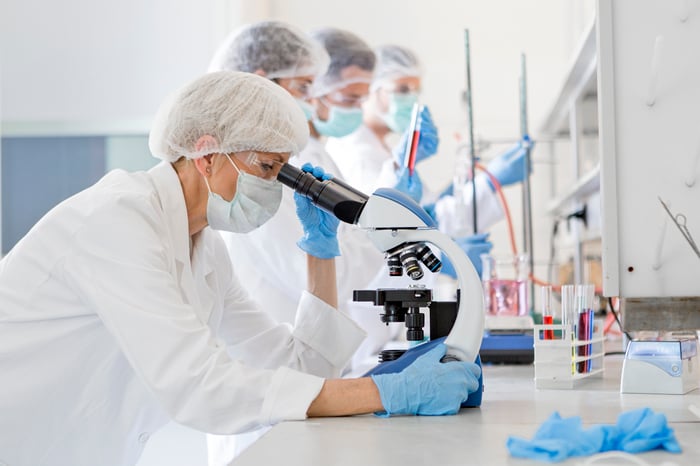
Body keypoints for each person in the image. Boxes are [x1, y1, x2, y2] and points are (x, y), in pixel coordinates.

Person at [0, 71, 481, 466]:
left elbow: (300, 367)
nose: (276, 187)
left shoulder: (203, 247)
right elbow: (200, 388)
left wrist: (321, 252)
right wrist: (382, 393)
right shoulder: (114, 223)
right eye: (269, 168)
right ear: (207, 155)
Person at [206, 23, 416, 463]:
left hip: (294, 378)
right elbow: (322, 273)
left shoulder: (279, 164)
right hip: (263, 403)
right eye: (303, 86)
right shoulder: (251, 180)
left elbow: (317, 340)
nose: (309, 97)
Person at [326, 44, 533, 275]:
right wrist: (491, 180)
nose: (411, 99)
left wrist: (467, 181)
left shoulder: (383, 148)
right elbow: (383, 236)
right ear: (372, 89)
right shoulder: (360, 155)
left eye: (416, 91)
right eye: (402, 89)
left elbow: (426, 213)